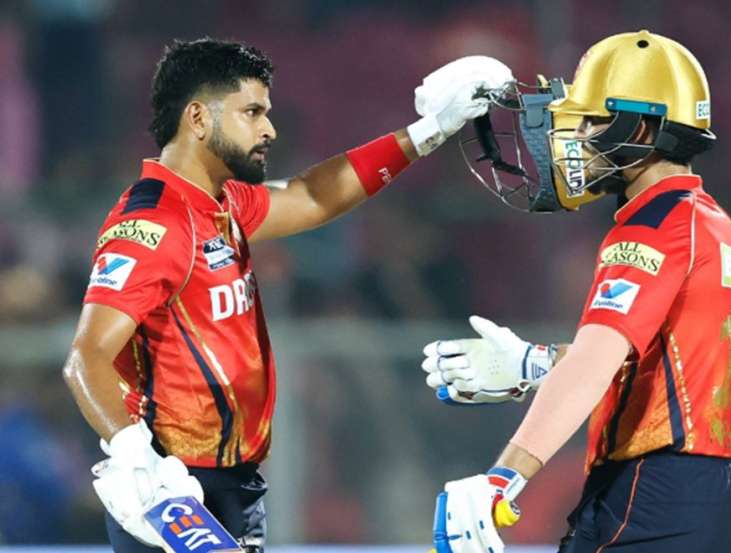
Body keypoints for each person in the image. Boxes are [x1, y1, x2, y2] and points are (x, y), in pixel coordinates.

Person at [61, 38, 512, 552]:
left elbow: (312, 195)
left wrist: (429, 132)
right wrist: (137, 462)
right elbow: (86, 358)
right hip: (175, 488)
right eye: (252, 112)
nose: (269, 129)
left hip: (233, 481)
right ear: (198, 118)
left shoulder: (222, 203)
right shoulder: (155, 223)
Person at [422, 30, 731, 553]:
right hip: (707, 490)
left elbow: (594, 365)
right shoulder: (708, 221)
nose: (573, 137)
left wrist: (503, 478)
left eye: (591, 120)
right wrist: (536, 363)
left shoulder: (653, 228)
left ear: (640, 127)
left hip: (655, 490)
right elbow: (657, 364)